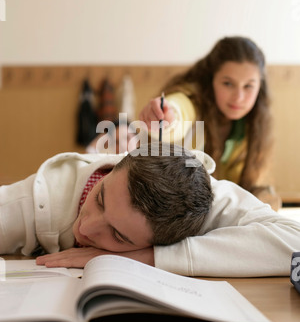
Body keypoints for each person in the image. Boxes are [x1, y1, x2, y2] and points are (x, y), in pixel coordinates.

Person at [0, 143, 214, 262]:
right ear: (113, 166)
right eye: (100, 199)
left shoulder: (194, 200)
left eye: (118, 235)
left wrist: (150, 257)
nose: (85, 228)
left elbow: (250, 240)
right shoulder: (35, 199)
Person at [139, 36, 281, 210]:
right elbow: (179, 110)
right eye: (228, 83)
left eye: (248, 86)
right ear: (211, 79)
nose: (238, 97)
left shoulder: (255, 123)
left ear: (260, 86)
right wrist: (165, 119)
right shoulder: (193, 99)